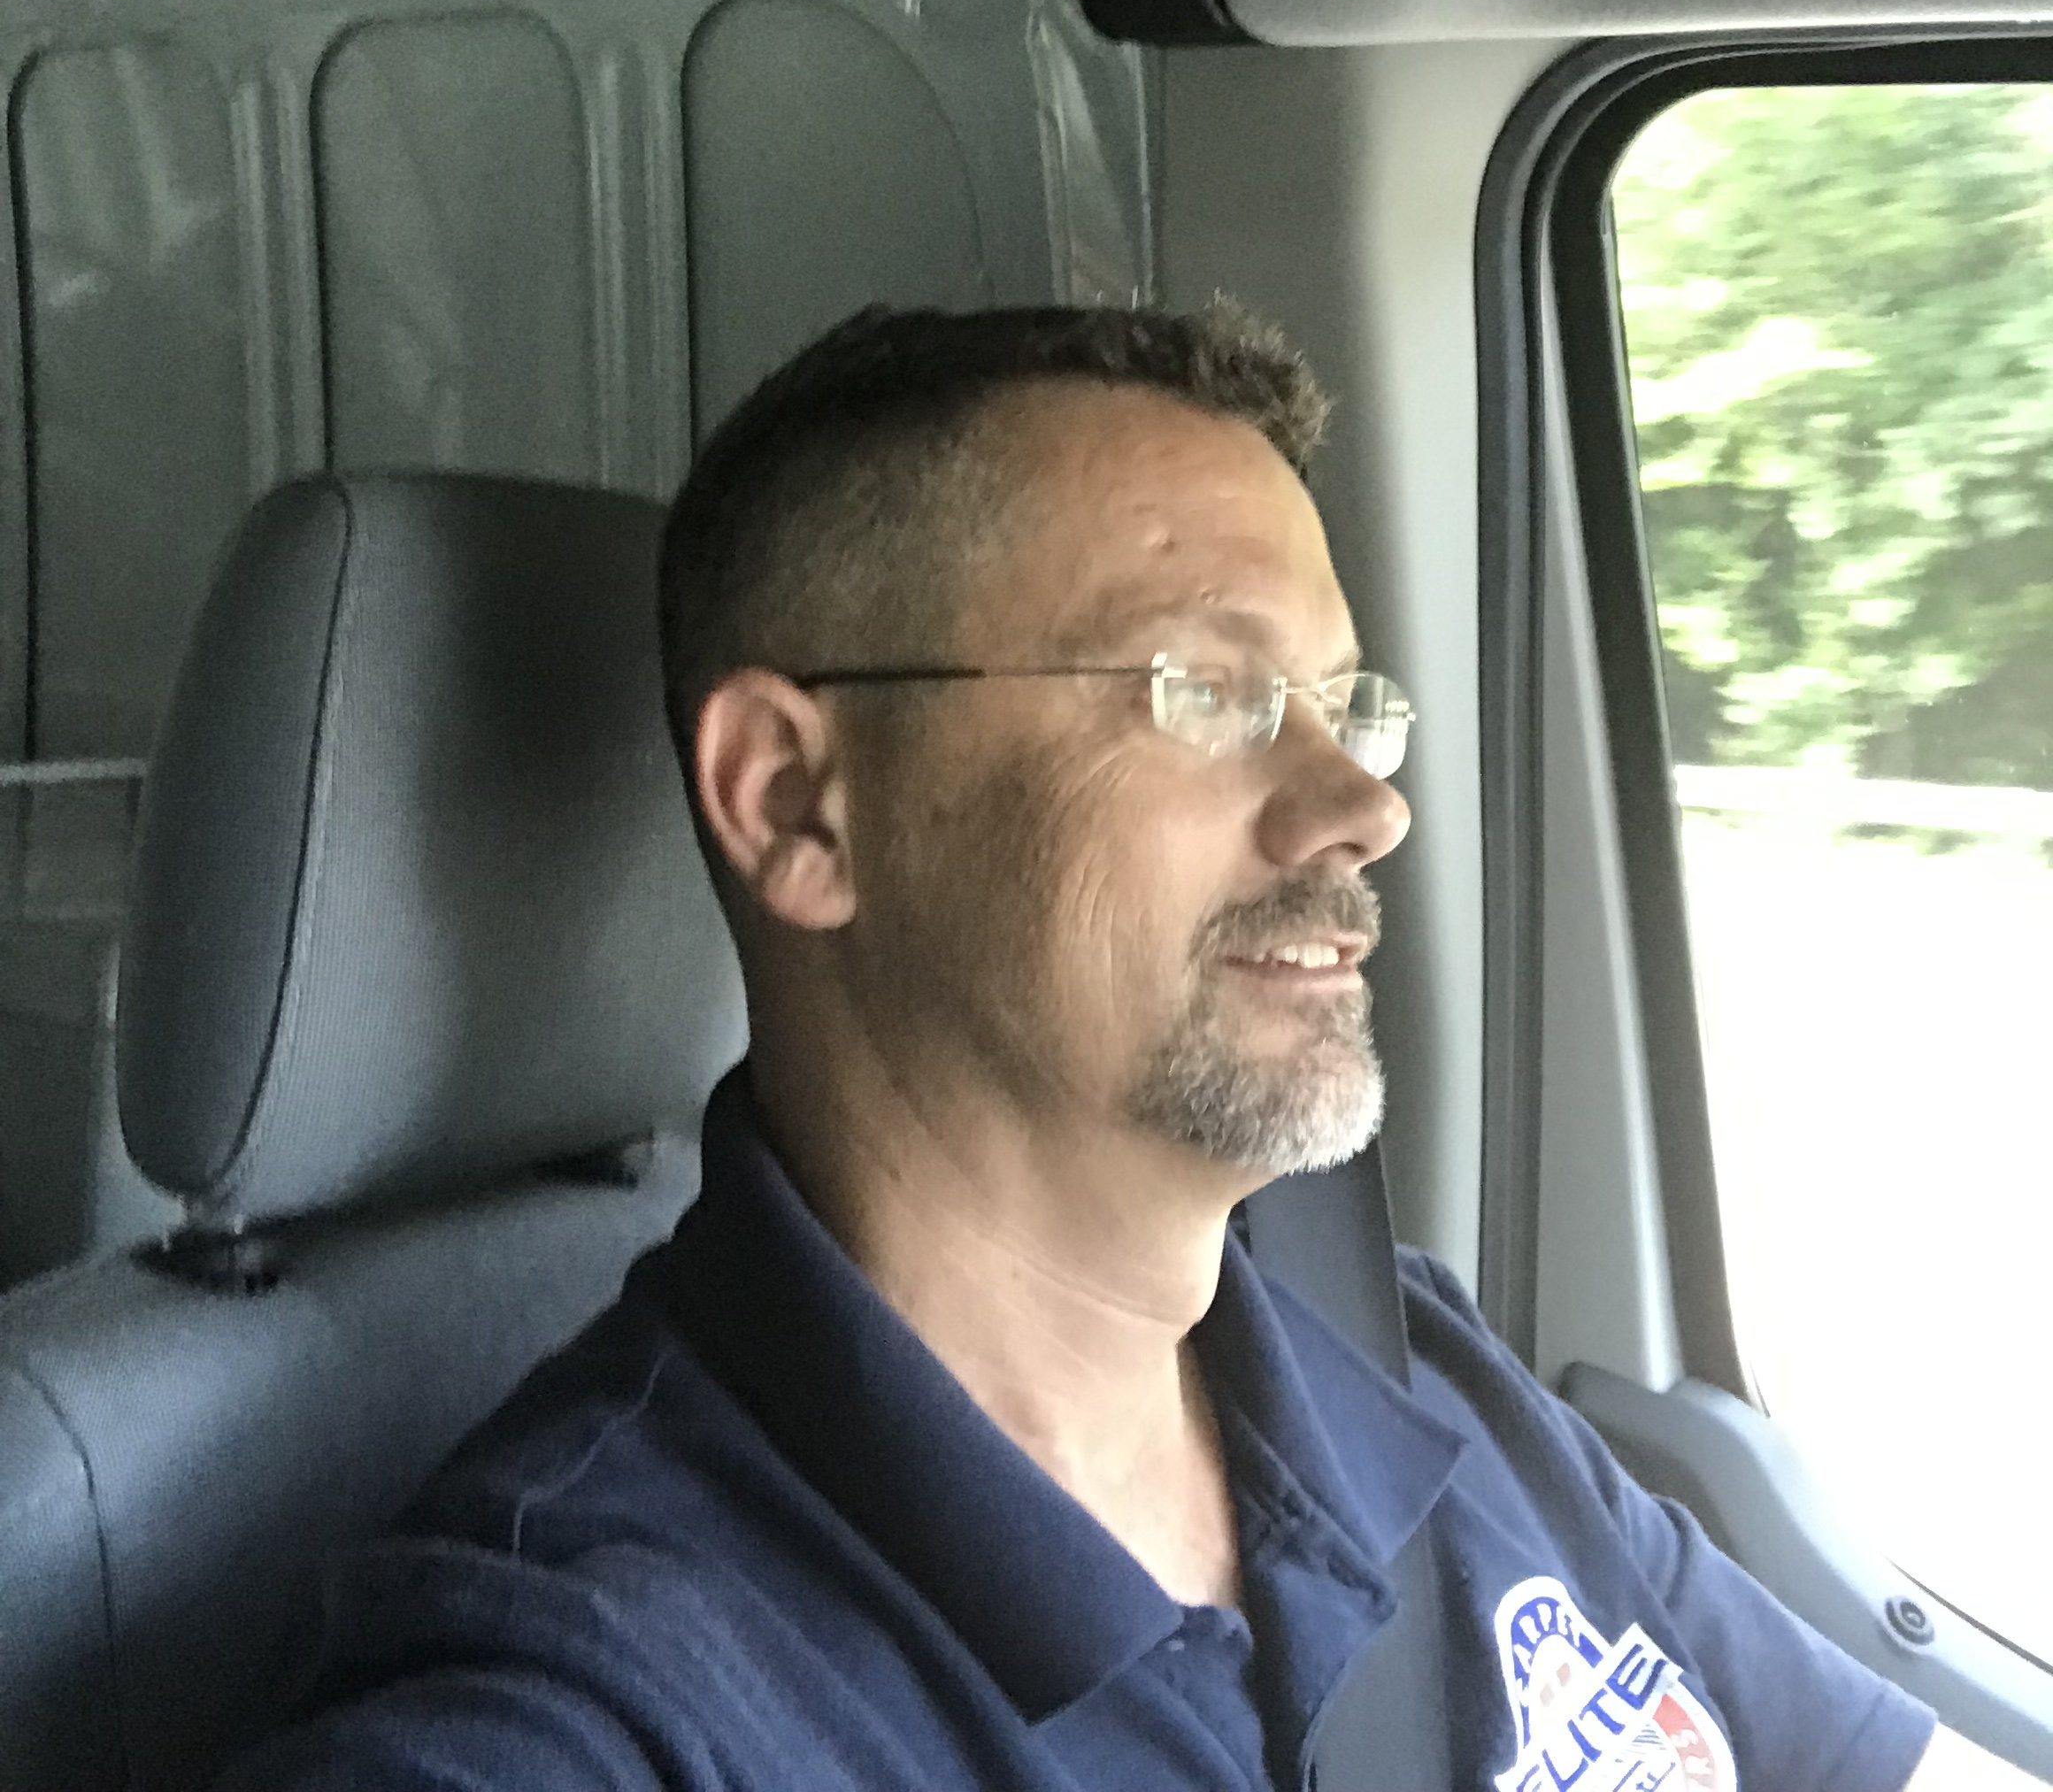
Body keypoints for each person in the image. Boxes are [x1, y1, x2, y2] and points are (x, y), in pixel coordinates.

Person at [221, 302, 2034, 1791]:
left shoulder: (1403, 1364)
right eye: (1207, 690)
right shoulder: (590, 1691)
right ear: (795, 804)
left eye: (1345, 706)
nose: (1361, 806)